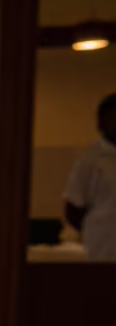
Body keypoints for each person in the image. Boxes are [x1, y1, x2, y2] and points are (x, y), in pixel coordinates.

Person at [64, 93, 116, 261]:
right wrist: (97, 228)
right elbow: (73, 208)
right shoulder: (89, 160)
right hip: (102, 249)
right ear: (101, 122)